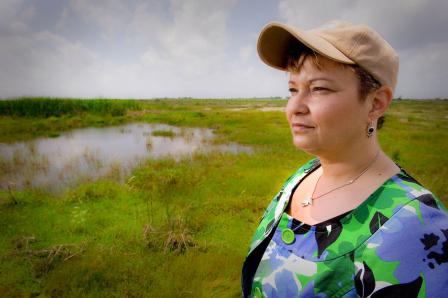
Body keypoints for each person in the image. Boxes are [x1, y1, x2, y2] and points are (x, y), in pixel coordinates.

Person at [241, 21, 448, 297]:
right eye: (293, 90)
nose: (294, 107)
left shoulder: (415, 229)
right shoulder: (305, 174)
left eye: (319, 89)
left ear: (375, 103)